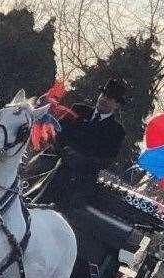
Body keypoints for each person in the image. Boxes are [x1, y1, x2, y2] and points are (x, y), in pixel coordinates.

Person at [27, 78, 127, 210]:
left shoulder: (116, 131)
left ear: (117, 105)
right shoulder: (78, 110)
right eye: (103, 95)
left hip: (79, 175)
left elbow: (107, 159)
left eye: (110, 98)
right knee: (35, 167)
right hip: (56, 158)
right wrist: (63, 149)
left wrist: (81, 160)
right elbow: (58, 131)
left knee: (66, 186)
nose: (103, 99)